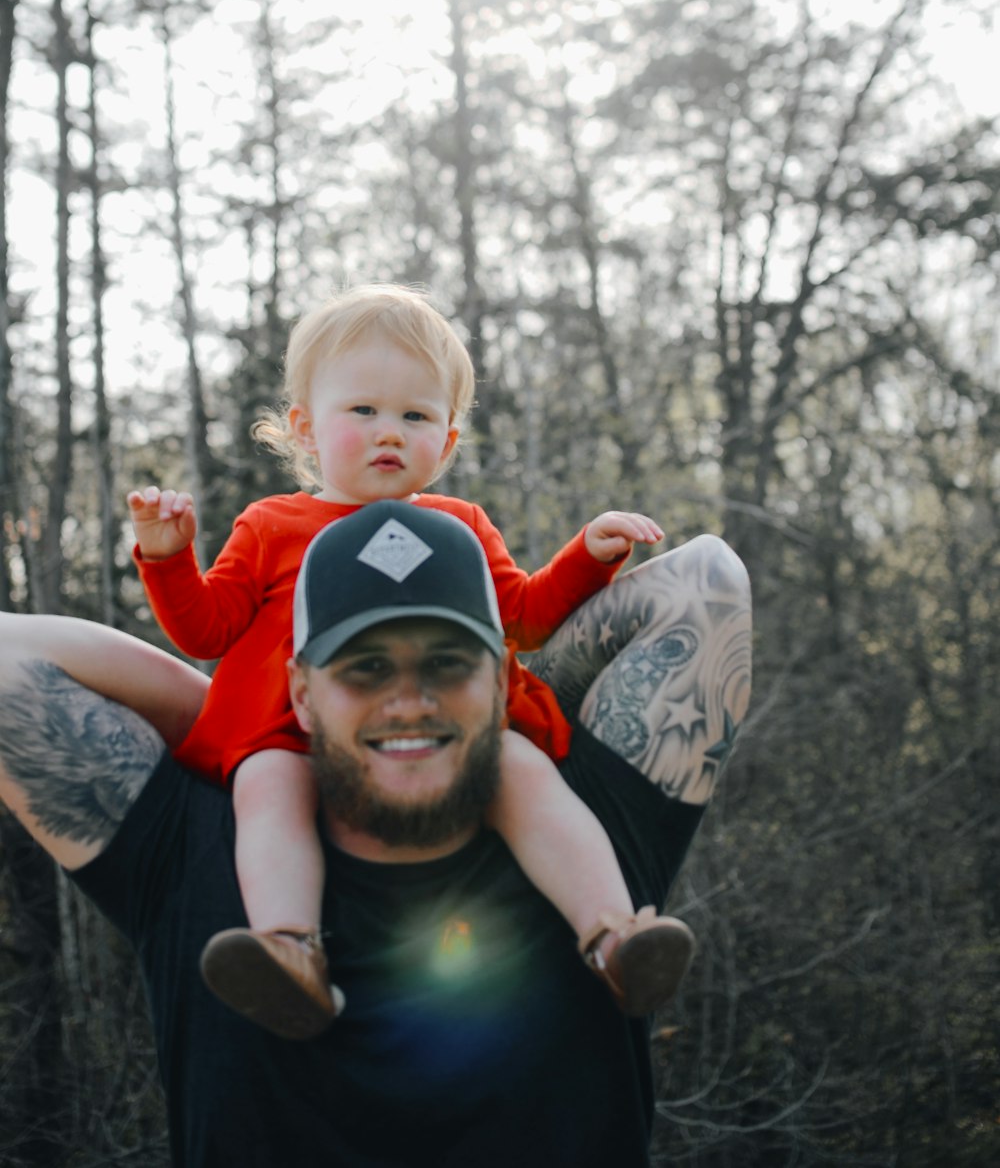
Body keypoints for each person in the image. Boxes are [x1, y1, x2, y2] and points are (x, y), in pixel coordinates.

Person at [0, 501, 752, 1168]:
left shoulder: (586, 832)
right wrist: (232, 723)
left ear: (497, 682)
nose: (410, 700)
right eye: (363, 668)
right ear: (300, 688)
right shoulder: (199, 852)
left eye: (449, 662)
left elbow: (707, 579)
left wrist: (480, 709)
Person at [123, 284, 691, 1039]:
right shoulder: (271, 524)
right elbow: (208, 629)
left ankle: (615, 935)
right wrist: (167, 559)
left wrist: (586, 558)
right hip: (289, 731)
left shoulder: (460, 525)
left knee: (523, 772)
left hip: (449, 734)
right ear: (307, 428)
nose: (388, 432)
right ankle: (292, 952)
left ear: (447, 441)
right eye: (363, 411)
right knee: (264, 788)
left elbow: (518, 618)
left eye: (415, 416)